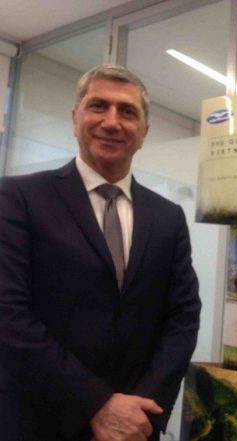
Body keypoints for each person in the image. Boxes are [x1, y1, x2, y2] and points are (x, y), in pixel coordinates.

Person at [0, 64, 201, 441]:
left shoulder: (168, 217)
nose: (111, 121)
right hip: (40, 422)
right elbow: (8, 312)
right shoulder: (18, 197)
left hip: (136, 428)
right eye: (98, 106)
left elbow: (183, 317)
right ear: (75, 118)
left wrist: (141, 411)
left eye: (127, 111)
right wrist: (97, 405)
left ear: (144, 132)